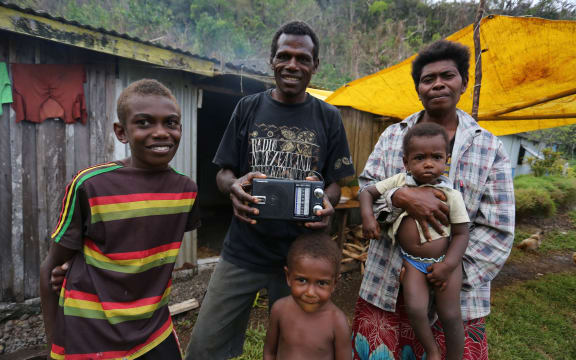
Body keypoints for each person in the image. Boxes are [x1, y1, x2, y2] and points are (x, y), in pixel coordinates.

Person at [184, 20, 355, 360]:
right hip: (243, 248)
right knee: (204, 345)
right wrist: (233, 186)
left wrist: (326, 201)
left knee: (298, 349)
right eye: (284, 56)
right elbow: (224, 172)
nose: (292, 64)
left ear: (314, 65)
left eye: (302, 58)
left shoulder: (329, 116)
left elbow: (336, 183)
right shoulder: (247, 108)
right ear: (272, 60)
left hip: (302, 257)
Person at [351, 40, 515, 360]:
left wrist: (446, 272)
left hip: (455, 292)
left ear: (464, 83)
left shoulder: (490, 149)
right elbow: (369, 189)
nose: (438, 83)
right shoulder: (393, 136)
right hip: (388, 281)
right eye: (428, 79)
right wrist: (400, 196)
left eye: (448, 75)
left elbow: (498, 230)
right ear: (418, 89)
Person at [39, 79, 200, 359]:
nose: (161, 133)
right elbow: (50, 268)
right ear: (121, 132)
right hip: (90, 332)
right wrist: (54, 341)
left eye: (171, 123)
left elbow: (145, 247)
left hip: (153, 329)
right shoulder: (89, 185)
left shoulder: (186, 191)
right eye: (145, 123)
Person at [359, 122, 470, 360]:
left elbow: (461, 234)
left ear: (446, 160)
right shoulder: (399, 182)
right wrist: (368, 218)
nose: (428, 163)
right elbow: (367, 192)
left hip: (445, 263)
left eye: (436, 157)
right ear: (406, 162)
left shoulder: (451, 195)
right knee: (416, 309)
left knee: (450, 314)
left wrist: (448, 265)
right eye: (419, 158)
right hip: (412, 263)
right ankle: (432, 351)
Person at [263, 233, 352, 360]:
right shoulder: (279, 309)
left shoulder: (337, 322)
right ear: (288, 277)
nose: (310, 292)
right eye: (302, 280)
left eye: (321, 283)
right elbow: (269, 352)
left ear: (334, 284)